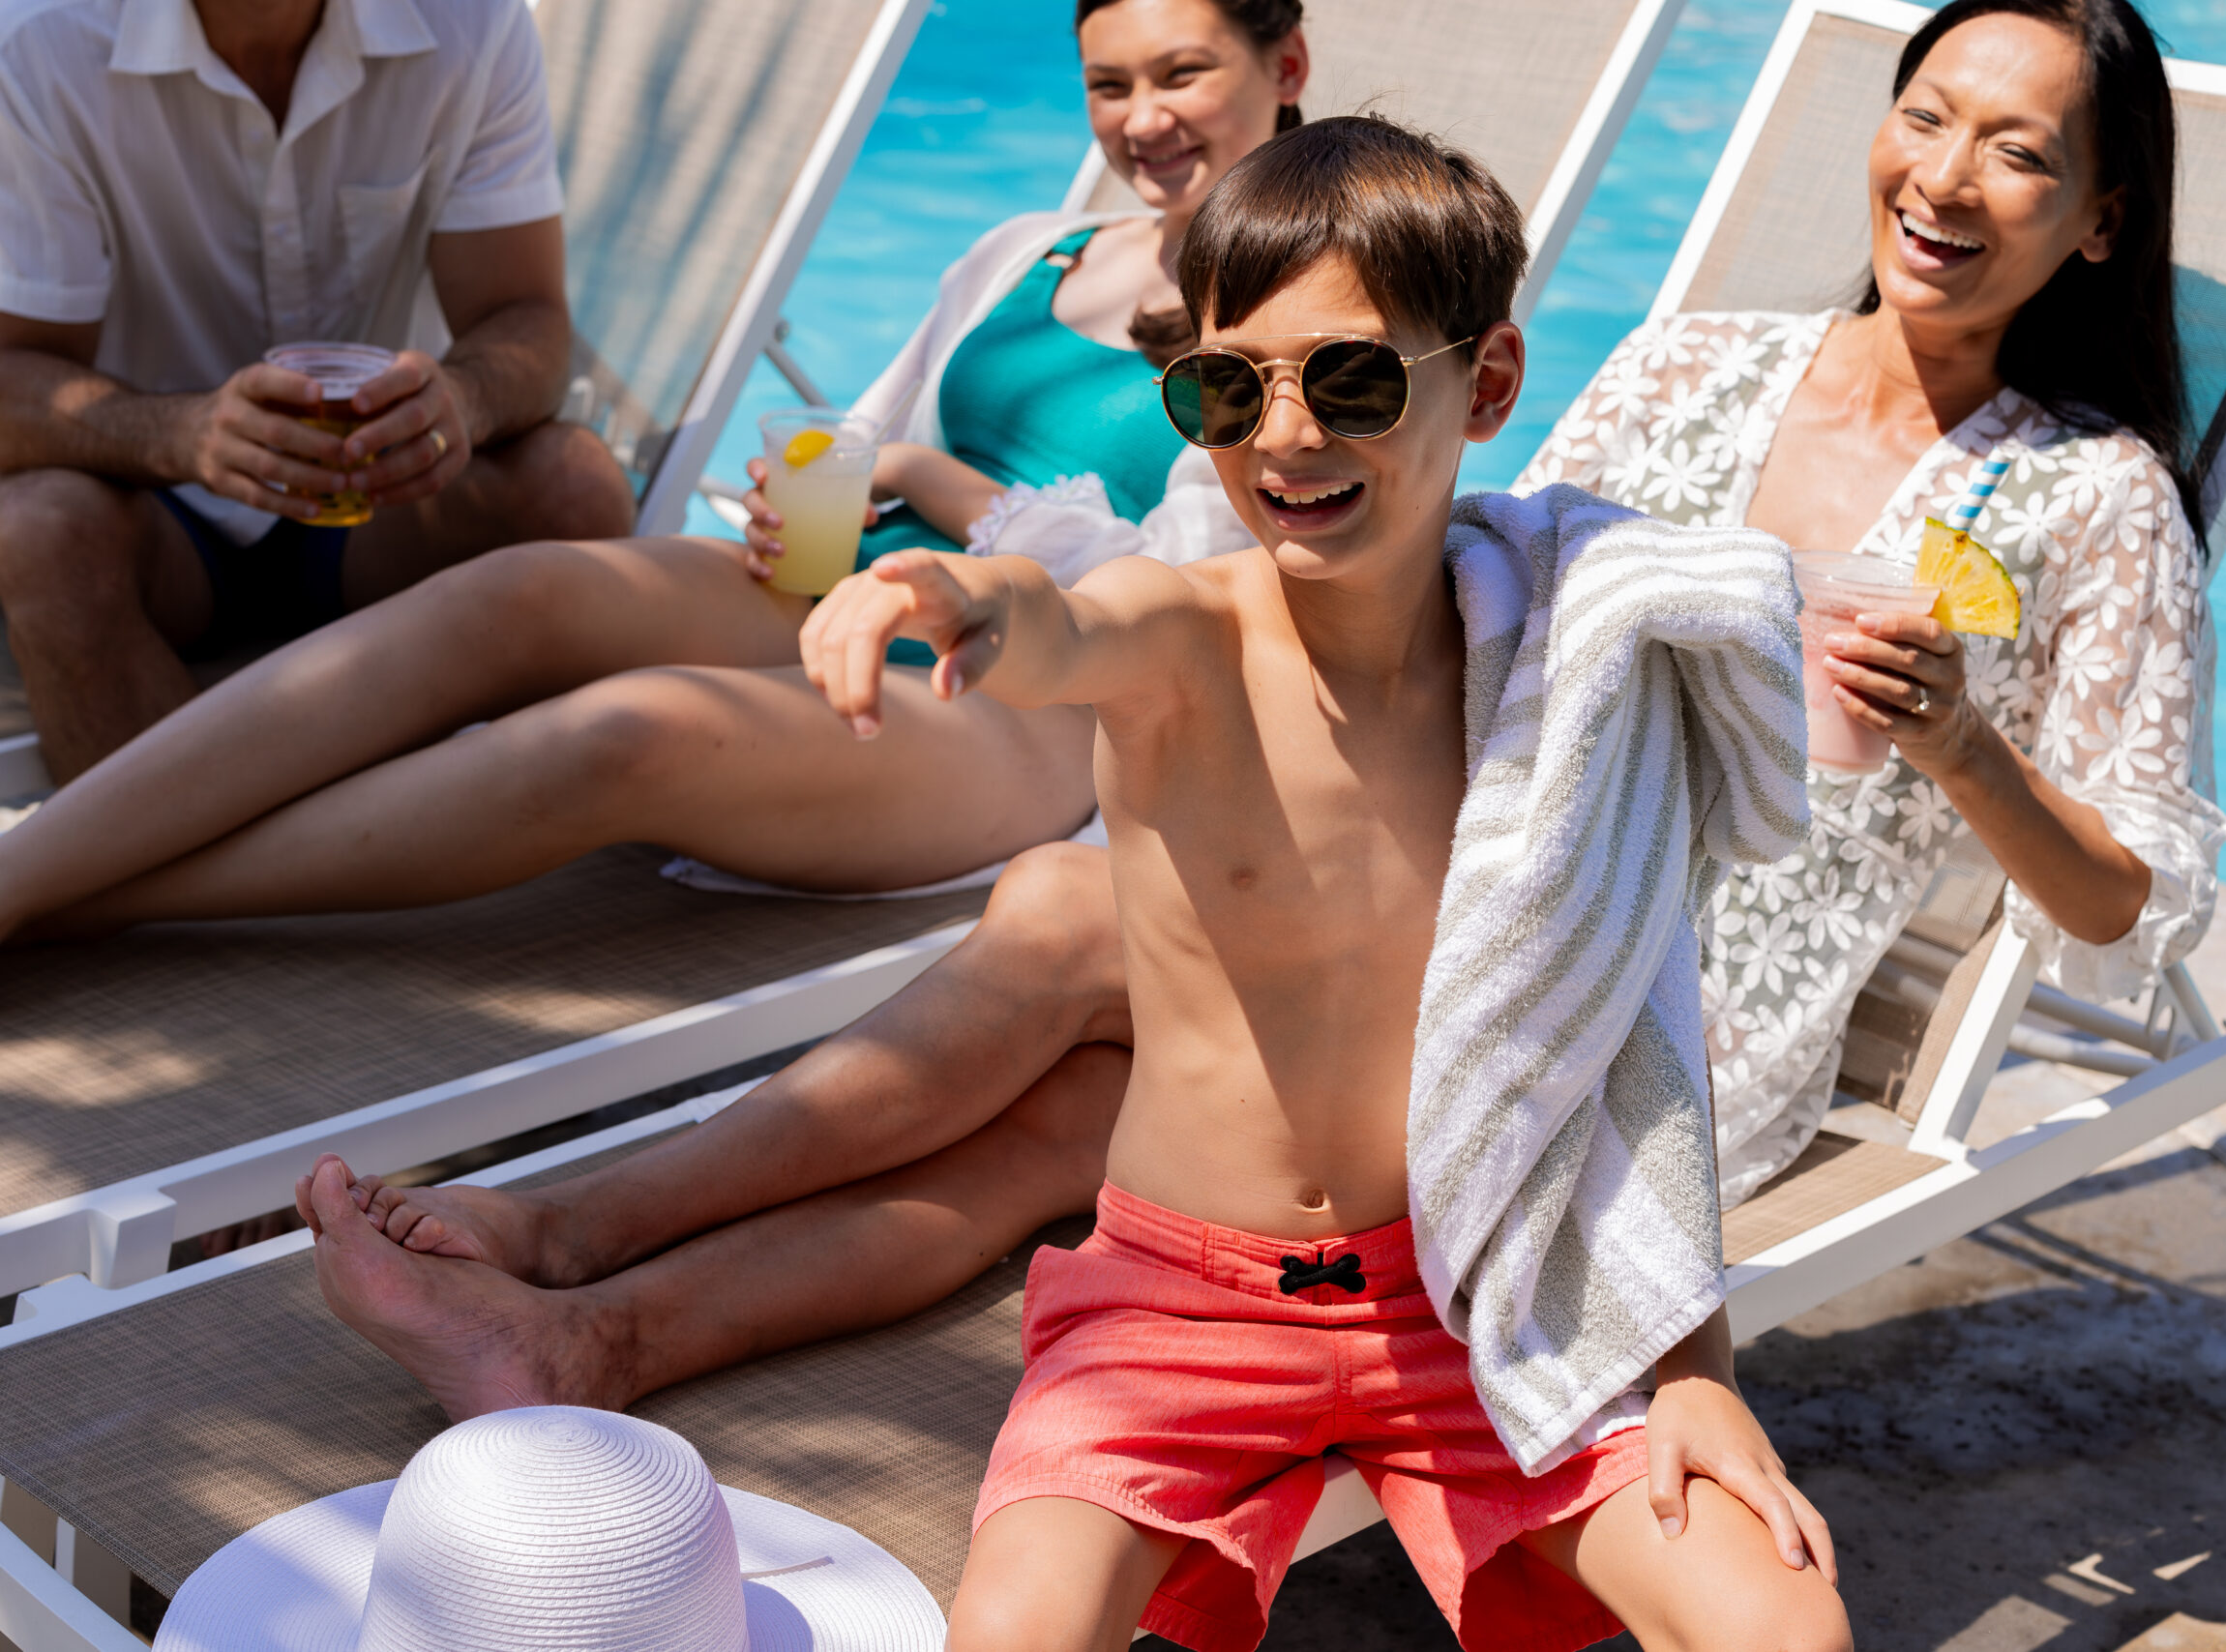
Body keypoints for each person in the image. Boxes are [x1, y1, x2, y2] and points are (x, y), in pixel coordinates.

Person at [295, 0, 2219, 1441]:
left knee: (1060, 968)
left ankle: (564, 1258)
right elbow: (1454, 573)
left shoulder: (2090, 496)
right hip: (1459, 843)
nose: (1945, 180)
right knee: (1072, 1074)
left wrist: (1965, 740)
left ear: (2098, 218)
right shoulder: (1698, 356)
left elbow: (2119, 898)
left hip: (1668, 1002)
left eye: (2017, 153)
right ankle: (572, 1318)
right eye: (1925, 117)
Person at [312, 115, 1854, 1652]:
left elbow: (1633, 1038)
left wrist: (1698, 1368)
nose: (1288, 435)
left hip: (1461, 1303)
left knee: (1786, 1625)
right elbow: (1064, 621)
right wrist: (943, 591)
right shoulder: (1189, 639)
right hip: (1179, 1312)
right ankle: (573, 1273)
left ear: (1492, 382)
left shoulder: (1559, 676)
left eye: (1358, 380)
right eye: (1224, 388)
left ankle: (579, 1283)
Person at [0, 0, 1300, 938]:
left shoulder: (1308, 310)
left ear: (1285, 63)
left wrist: (931, 482)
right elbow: (858, 437)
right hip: (844, 593)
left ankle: (62, 895)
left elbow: (1228, 599)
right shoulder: (1038, 249)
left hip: (1040, 696)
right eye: (1107, 84)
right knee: (522, 594)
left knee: (625, 734)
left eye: (1181, 74)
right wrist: (813, 491)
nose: (1142, 120)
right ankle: (65, 867)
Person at [0, 0, 637, 780]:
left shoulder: (470, 21)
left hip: (379, 497)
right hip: (154, 514)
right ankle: (163, 879)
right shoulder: (35, 43)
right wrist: (180, 433)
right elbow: (12, 382)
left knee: (577, 486)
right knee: (37, 532)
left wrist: (463, 400)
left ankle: (518, 827)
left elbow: (526, 317)